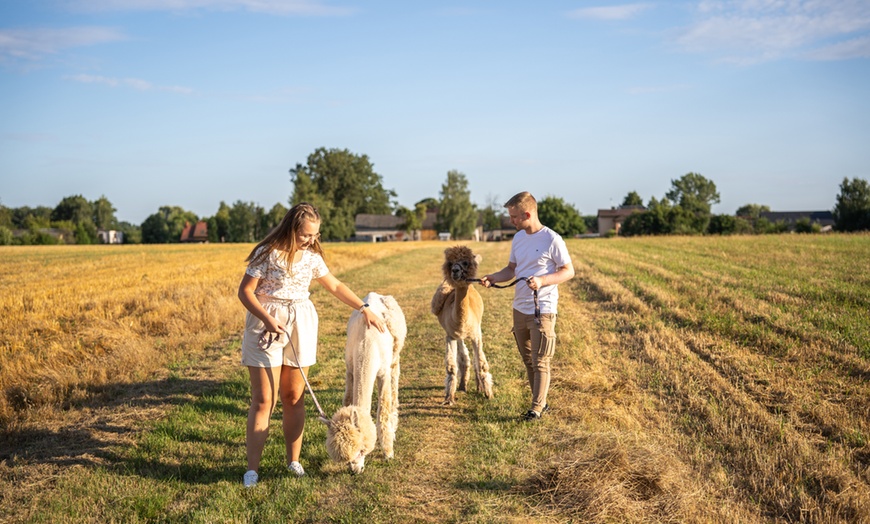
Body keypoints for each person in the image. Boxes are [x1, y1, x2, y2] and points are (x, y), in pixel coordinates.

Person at [237, 202, 385, 488]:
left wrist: (364, 307)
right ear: (292, 228)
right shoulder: (266, 254)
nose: (312, 240)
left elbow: (336, 286)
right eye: (306, 235)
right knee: (263, 400)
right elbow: (245, 292)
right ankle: (252, 470)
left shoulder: (312, 257)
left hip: (300, 323)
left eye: (315, 235)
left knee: (294, 396)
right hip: (266, 323)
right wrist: (267, 320)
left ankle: (294, 461)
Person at [479, 192, 575, 421]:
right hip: (519, 308)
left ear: (527, 214)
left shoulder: (552, 239)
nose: (511, 221)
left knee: (541, 360)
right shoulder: (519, 238)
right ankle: (541, 403)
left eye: (514, 217)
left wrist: (542, 281)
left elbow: (568, 271)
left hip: (542, 308)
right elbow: (512, 269)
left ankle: (536, 409)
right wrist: (493, 277)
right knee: (529, 360)